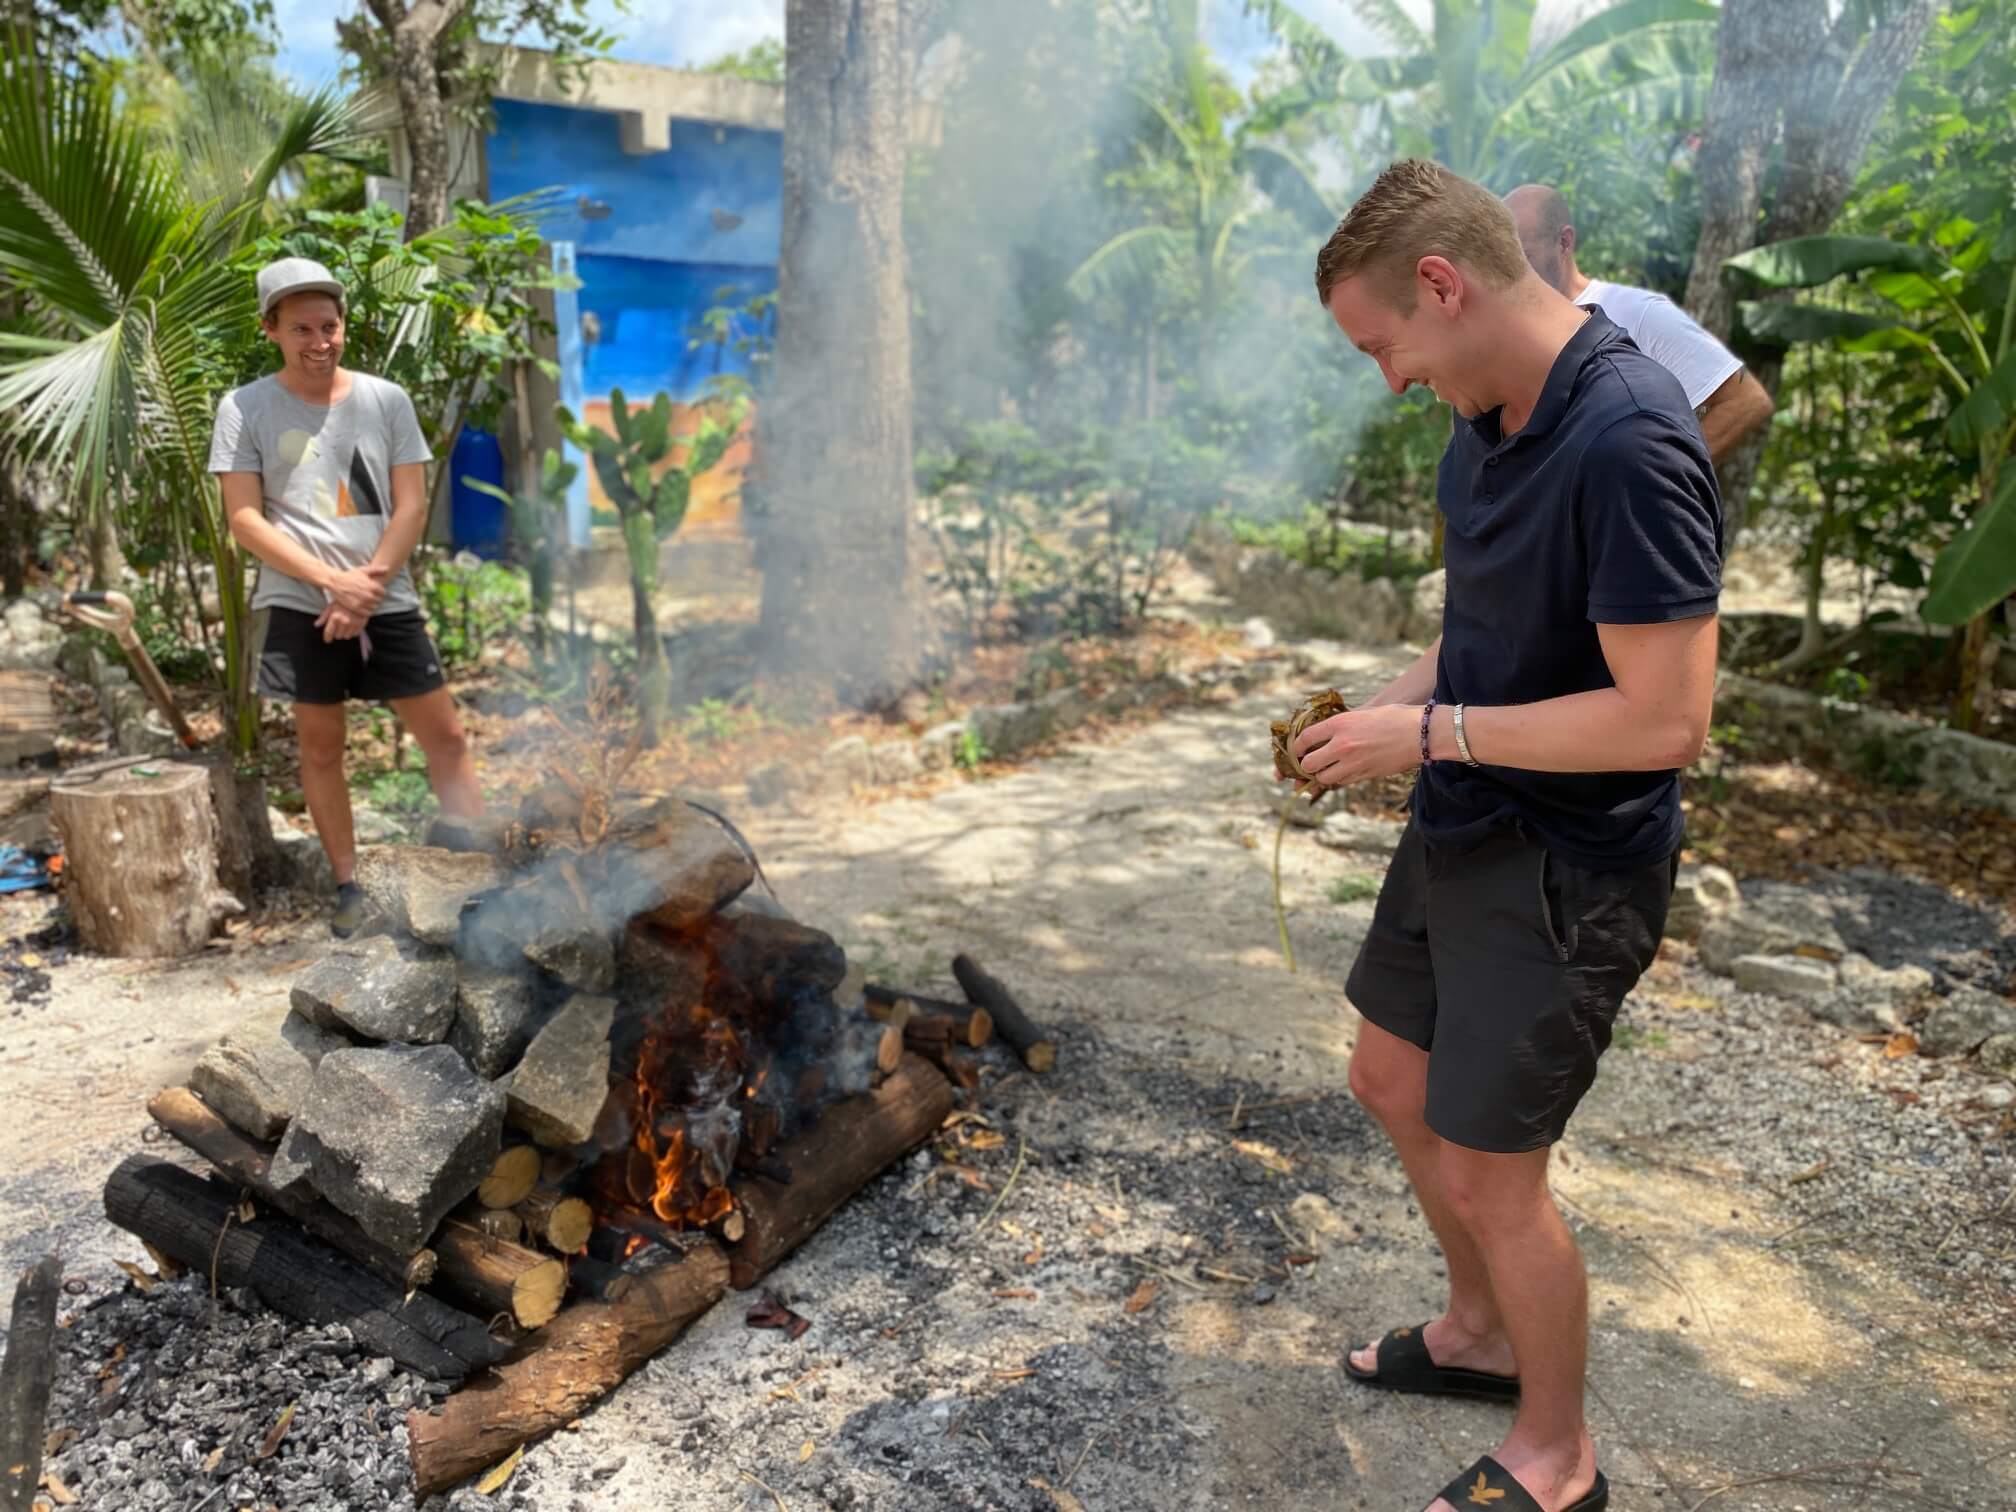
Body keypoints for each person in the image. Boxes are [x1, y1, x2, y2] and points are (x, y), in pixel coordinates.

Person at [1293, 160, 1723, 1512]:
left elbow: (1663, 722)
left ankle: (1558, 1454)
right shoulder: (1486, 425)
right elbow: (1485, 629)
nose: (1388, 379)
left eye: (1384, 345)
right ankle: (1476, 1334)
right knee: (1388, 1077)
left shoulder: (1631, 440)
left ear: (1443, 283)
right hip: (1465, 821)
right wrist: (1397, 704)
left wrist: (1426, 739)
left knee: (1494, 1169)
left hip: (1567, 869)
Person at [210, 257, 483, 937]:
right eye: (301, 328)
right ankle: (351, 885)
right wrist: (333, 582)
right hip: (301, 600)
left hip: (384, 594)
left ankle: (476, 871)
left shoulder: (384, 400)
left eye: (329, 326)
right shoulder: (244, 408)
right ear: (270, 329)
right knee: (321, 745)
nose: (319, 341)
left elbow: (412, 504)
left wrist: (365, 586)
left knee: (446, 736)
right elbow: (244, 520)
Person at [1504, 183, 1773, 465]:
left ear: (1564, 242)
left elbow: (1745, 401)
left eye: (1526, 256)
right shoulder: (1512, 332)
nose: (1516, 272)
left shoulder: (1635, 311)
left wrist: (1665, 482)